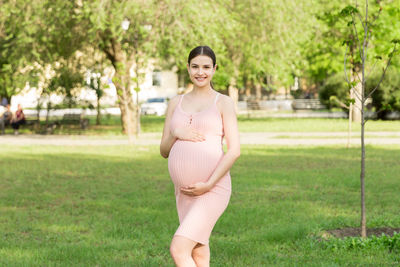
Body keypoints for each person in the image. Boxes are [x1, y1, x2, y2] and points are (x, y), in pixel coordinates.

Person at [160, 46, 240, 266]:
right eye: (195, 66)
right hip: (184, 193)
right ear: (188, 68)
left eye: (206, 67)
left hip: (212, 188)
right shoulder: (176, 103)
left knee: (178, 249)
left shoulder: (222, 102)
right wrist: (176, 133)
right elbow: (164, 150)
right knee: (198, 252)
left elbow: (234, 150)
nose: (200, 72)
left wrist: (208, 184)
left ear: (214, 69)